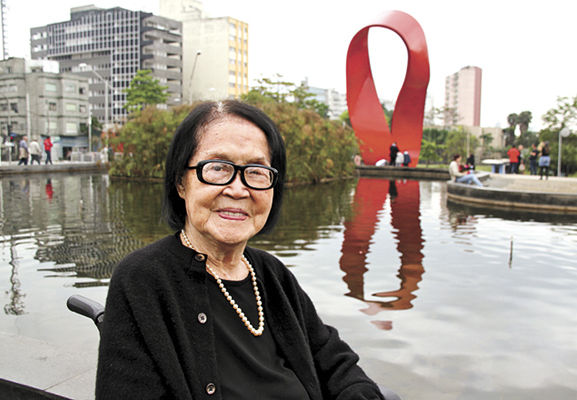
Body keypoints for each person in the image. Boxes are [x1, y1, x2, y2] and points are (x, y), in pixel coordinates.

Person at [96, 100, 389, 399]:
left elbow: (335, 361)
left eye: (257, 171)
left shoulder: (272, 274)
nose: (238, 190)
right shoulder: (143, 280)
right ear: (181, 183)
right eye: (218, 168)